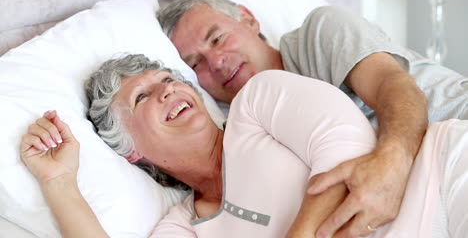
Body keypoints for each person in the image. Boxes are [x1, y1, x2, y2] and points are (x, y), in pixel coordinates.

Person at [21, 54, 468, 237]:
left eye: (167, 79)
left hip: (444, 179)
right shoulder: (183, 228)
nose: (168, 91)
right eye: (142, 97)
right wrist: (60, 183)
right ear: (130, 151)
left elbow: (345, 149)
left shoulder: (257, 100)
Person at [157, 0, 468, 237]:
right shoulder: (243, 136)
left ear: (249, 20)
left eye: (217, 38)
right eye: (195, 63)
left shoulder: (320, 33)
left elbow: (395, 87)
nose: (217, 62)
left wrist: (392, 165)